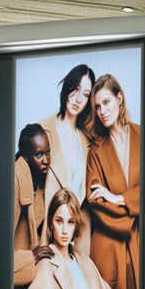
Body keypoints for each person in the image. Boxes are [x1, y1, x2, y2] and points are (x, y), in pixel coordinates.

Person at [18, 189, 134, 289]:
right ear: (51, 223)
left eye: (70, 222)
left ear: (76, 226)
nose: (65, 230)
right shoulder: (47, 263)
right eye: (59, 221)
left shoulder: (86, 263)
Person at [85, 73, 140, 289]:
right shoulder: (95, 150)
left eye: (106, 102)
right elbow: (95, 199)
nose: (102, 111)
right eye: (97, 106)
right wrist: (136, 212)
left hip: (141, 242)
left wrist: (121, 199)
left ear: (119, 98)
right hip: (110, 242)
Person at [39, 64, 95, 256]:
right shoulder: (42, 131)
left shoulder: (88, 141)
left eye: (86, 94)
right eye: (76, 89)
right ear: (67, 86)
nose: (79, 99)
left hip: (79, 239)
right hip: (48, 235)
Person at [13, 123, 53, 289]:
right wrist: (31, 257)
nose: (46, 160)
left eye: (48, 153)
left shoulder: (41, 179)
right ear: (26, 157)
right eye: (39, 155)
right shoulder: (15, 180)